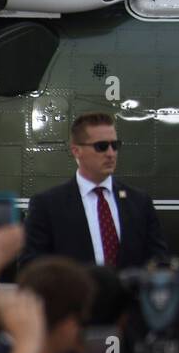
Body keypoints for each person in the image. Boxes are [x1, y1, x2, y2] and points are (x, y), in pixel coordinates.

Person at [20, 112, 168, 270]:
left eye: (115, 145)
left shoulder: (139, 202)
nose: (111, 154)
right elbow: (31, 267)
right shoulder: (48, 205)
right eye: (101, 146)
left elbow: (158, 261)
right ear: (76, 151)